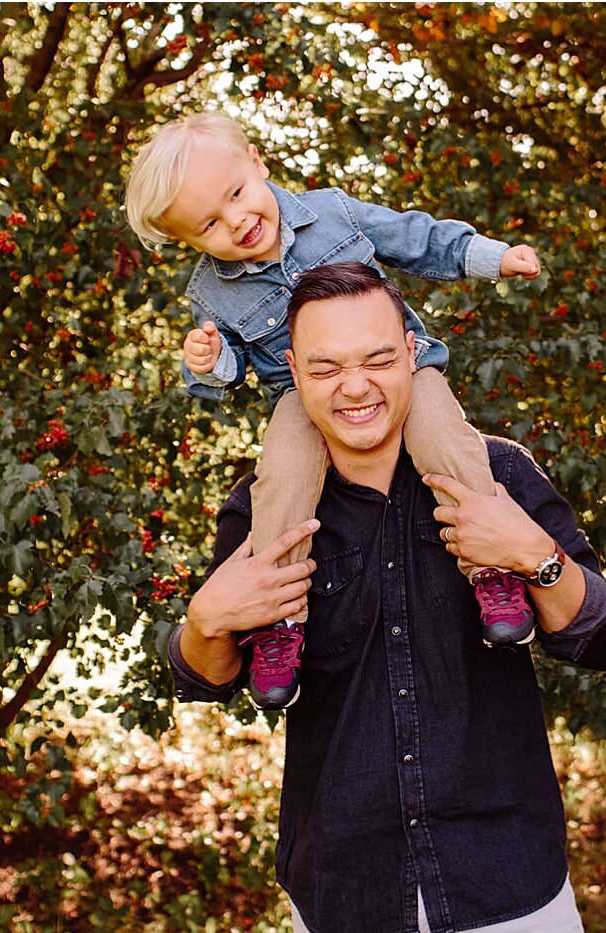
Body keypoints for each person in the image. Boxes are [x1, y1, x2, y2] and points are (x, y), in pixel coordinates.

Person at [167, 261, 606, 933]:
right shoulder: (267, 508)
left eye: (378, 359)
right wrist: (206, 621)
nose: (356, 387)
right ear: (292, 371)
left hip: (508, 885)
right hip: (349, 895)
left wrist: (533, 558)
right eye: (327, 367)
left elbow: (600, 638)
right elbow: (203, 676)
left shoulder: (495, 474)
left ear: (412, 352)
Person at [124, 112, 543, 708]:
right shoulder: (211, 293)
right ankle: (279, 622)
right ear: (189, 242)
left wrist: (493, 257)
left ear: (257, 163)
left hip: (404, 367)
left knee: (443, 437)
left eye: (237, 195)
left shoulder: (334, 213)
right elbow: (232, 371)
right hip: (302, 400)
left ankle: (491, 572)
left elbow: (415, 240)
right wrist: (210, 360)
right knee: (283, 479)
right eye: (209, 225)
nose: (237, 222)